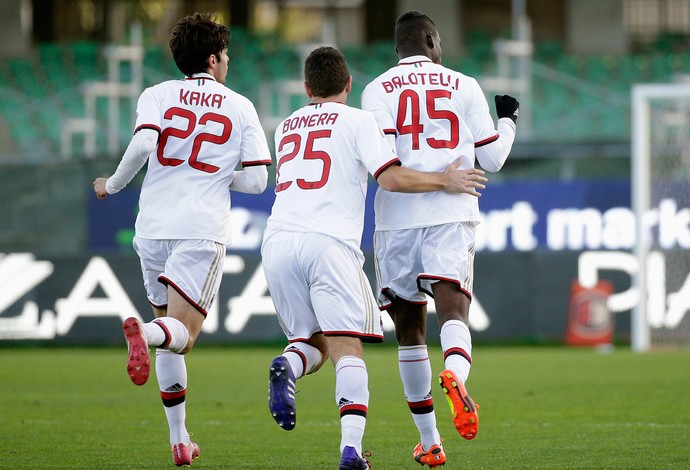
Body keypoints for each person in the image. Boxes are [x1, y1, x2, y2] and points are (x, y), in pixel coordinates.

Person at [261, 46, 488, 470]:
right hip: (329, 243)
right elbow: (391, 177)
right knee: (349, 349)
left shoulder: (285, 125)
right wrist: (444, 179)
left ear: (307, 87)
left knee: (312, 343)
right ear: (348, 85)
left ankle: (287, 364)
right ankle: (350, 451)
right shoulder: (359, 120)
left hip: (276, 242)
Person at [92, 12, 271, 467]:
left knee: (170, 335)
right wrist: (216, 176)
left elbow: (143, 145)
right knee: (181, 336)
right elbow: (255, 183)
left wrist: (112, 185)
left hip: (151, 227)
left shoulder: (156, 94)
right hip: (199, 228)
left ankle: (179, 438)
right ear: (212, 59)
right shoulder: (239, 105)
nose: (228, 62)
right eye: (225, 54)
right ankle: (143, 333)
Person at [361, 10, 519, 468]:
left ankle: (430, 441)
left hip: (396, 220)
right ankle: (454, 373)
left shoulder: (376, 89)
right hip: (451, 212)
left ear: (397, 49)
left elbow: (383, 164)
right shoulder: (464, 84)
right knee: (453, 308)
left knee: (409, 332)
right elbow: (492, 160)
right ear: (431, 39)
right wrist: (507, 118)